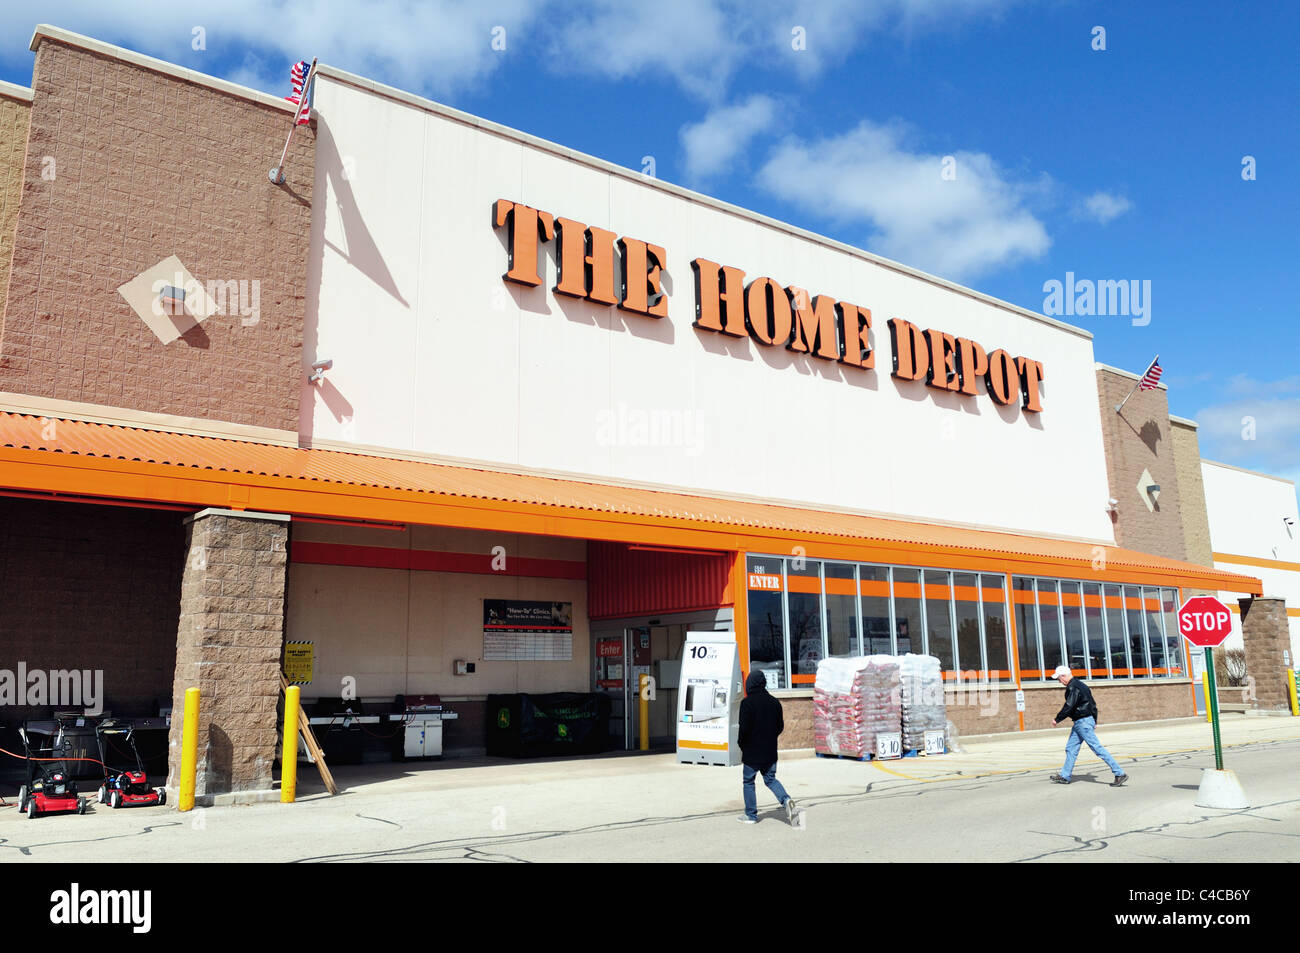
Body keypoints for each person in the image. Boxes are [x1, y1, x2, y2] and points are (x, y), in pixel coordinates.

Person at [1048, 665, 1129, 786]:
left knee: (1097, 748)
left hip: (1082, 722)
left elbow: (1069, 706)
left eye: (1059, 678)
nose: (1059, 681)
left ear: (1063, 676)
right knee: (1071, 748)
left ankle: (1119, 773)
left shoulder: (1073, 687)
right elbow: (1092, 704)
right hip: (1082, 722)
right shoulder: (1082, 685)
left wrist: (1057, 719)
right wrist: (1094, 720)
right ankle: (1065, 776)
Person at [737, 670, 799, 824]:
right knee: (770, 779)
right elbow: (780, 727)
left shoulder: (747, 703)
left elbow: (743, 729)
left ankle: (751, 815)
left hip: (752, 752)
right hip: (770, 751)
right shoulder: (774, 702)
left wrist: (742, 745)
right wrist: (769, 738)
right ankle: (786, 800)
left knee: (748, 781)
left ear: (749, 684)